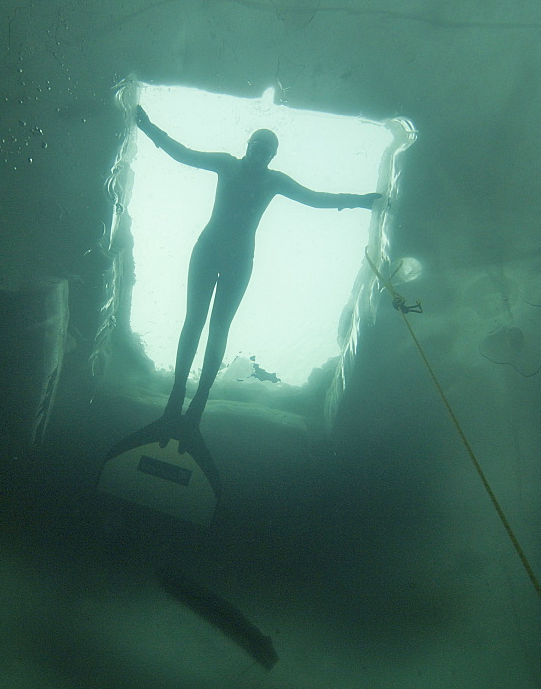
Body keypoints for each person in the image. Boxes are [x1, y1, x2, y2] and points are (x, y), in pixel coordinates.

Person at [135, 104, 380, 438]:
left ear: (272, 156)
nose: (260, 154)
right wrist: (149, 128)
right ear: (248, 146)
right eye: (257, 147)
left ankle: (197, 403)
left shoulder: (272, 180)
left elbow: (316, 199)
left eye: (267, 151)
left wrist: (361, 200)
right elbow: (184, 154)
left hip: (234, 260)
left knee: (217, 328)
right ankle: (177, 396)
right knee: (195, 322)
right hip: (211, 252)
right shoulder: (228, 164)